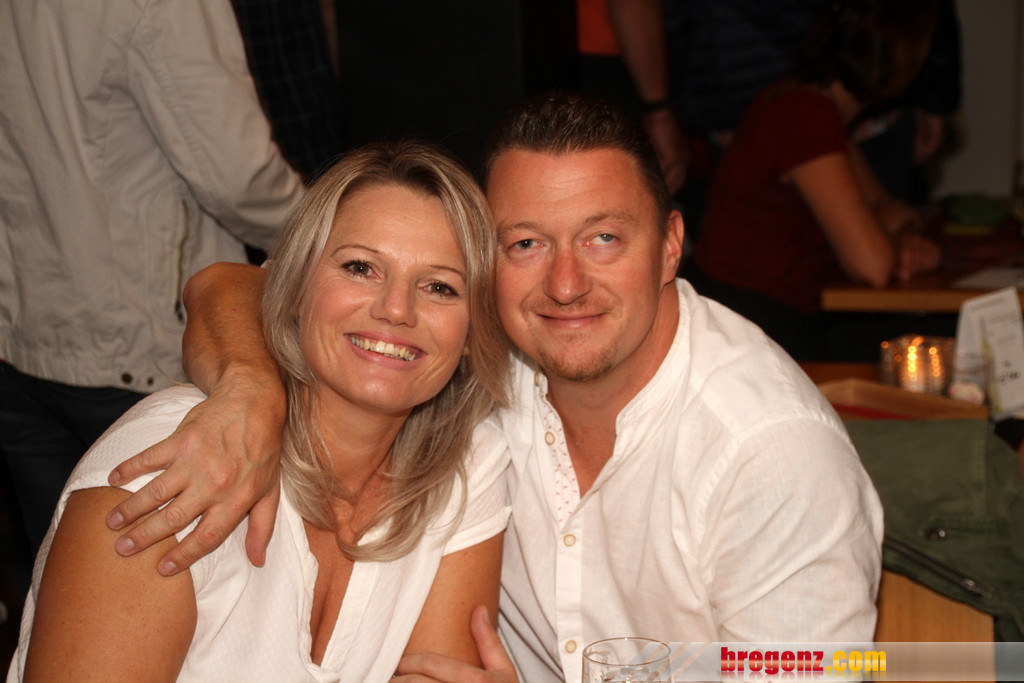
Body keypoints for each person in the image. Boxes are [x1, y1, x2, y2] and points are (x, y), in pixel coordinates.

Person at [100, 93, 883, 682]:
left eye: (603, 238)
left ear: (671, 246)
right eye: (527, 243)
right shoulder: (474, 352)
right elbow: (226, 284)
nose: (566, 283)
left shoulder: (772, 454)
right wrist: (249, 389)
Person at [7, 141, 510, 681]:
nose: (396, 309)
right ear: (292, 288)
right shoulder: (174, 471)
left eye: (439, 287)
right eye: (361, 267)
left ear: (471, 333)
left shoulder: (462, 465)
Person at [0, 0, 306, 578]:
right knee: (187, 594)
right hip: (143, 344)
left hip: (21, 334)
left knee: (63, 579)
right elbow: (238, 178)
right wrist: (329, 240)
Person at [687, 0, 943, 360]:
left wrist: (898, 235)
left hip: (765, 320)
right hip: (752, 330)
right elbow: (873, 266)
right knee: (938, 339)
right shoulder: (805, 114)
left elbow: (889, 209)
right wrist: (892, 242)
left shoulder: (810, 103)